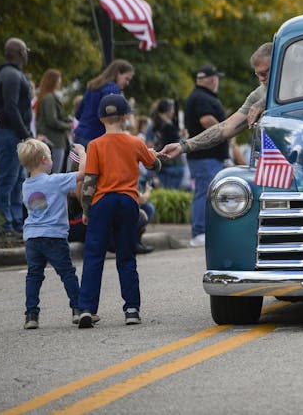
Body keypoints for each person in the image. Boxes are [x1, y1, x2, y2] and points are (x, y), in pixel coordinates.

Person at [76, 94, 162, 328]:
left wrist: (86, 209)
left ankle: (86, 308)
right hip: (127, 201)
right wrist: (152, 154)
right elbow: (154, 165)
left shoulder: (94, 145)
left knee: (94, 255)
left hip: (102, 202)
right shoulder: (135, 143)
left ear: (101, 118)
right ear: (125, 117)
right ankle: (132, 309)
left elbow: (90, 181)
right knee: (126, 255)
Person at [159, 43, 273, 170]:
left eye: (266, 73)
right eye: (258, 74)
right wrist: (184, 146)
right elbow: (225, 127)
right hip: (271, 165)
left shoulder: (297, 81)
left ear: (279, 66)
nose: (262, 79)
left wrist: (264, 103)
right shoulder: (256, 95)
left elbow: (294, 92)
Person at [18, 138, 87, 328]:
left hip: (32, 238)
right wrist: (81, 153)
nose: (52, 160)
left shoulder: (26, 185)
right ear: (43, 160)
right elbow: (83, 174)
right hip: (54, 236)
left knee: (34, 276)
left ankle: (31, 315)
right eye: (50, 157)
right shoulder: (55, 180)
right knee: (67, 273)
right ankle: (78, 309)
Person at [183, 65, 229, 247]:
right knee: (204, 192)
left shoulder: (200, 96)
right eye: (216, 78)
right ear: (212, 79)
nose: (217, 81)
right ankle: (199, 231)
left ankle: (203, 230)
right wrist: (226, 131)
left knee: (206, 192)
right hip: (205, 156)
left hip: (207, 156)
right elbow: (206, 120)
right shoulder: (201, 97)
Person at [0, 38, 34, 236]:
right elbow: (11, 107)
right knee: (8, 178)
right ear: (19, 52)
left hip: (13, 134)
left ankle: (16, 221)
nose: (27, 53)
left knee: (17, 178)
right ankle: (5, 224)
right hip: (10, 134)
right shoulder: (10, 75)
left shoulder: (11, 73)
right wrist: (26, 134)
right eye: (25, 50)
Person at [74, 60, 134, 149]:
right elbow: (111, 118)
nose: (127, 83)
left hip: (80, 135)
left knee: (79, 162)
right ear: (118, 73)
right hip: (95, 139)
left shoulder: (93, 86)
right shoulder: (112, 89)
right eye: (126, 78)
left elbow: (78, 113)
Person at [34, 69, 74, 174]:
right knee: (53, 175)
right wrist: (68, 125)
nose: (60, 82)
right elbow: (52, 120)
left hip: (54, 141)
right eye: (58, 79)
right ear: (53, 81)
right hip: (54, 141)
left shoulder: (48, 97)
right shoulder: (49, 98)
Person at [148, 98, 185, 190]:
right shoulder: (168, 127)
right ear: (167, 111)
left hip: (163, 166)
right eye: (171, 109)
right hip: (173, 166)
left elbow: (149, 148)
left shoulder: (154, 126)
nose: (173, 111)